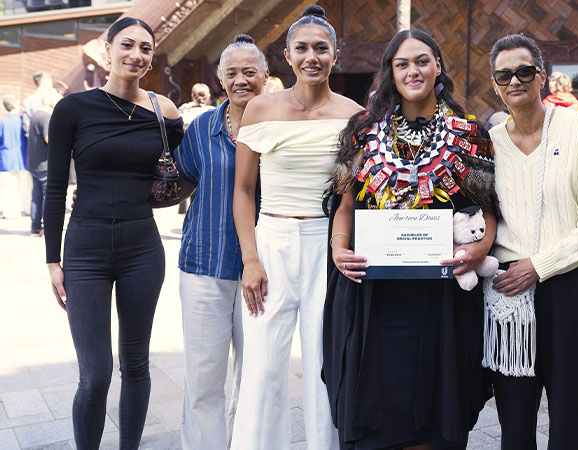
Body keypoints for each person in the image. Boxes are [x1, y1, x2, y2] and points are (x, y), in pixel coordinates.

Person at [325, 28, 496, 449]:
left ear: (438, 65)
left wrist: (479, 248)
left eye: (422, 60)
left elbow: (487, 207)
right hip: (375, 292)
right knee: (377, 396)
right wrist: (338, 248)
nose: (412, 70)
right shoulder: (363, 130)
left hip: (441, 294)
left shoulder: (468, 130)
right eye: (402, 64)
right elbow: (344, 204)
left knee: (438, 398)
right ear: (390, 72)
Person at [45, 17, 183, 449]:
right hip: (85, 247)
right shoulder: (73, 109)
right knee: (95, 374)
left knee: (137, 364)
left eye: (145, 48)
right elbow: (53, 189)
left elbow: (189, 169)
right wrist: (52, 260)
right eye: (127, 45)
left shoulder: (166, 112)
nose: (136, 55)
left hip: (142, 245)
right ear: (108, 50)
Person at [230, 6, 361, 449]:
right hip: (271, 244)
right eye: (302, 48)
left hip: (328, 245)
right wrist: (250, 258)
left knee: (326, 363)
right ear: (287, 55)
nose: (312, 56)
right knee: (263, 366)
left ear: (335, 55)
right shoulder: (261, 108)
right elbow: (244, 190)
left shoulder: (354, 116)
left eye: (321, 48)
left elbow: (352, 195)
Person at [487, 33, 578, 450]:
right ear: (494, 84)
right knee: (515, 425)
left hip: (573, 289)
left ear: (542, 76)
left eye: (525, 71)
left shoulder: (577, 128)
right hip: (510, 297)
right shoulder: (490, 143)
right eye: (504, 75)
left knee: (568, 420)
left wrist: (538, 265)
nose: (515, 81)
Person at [173, 34, 268, 450]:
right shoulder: (200, 128)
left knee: (256, 380)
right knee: (203, 380)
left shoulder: (279, 127)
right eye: (232, 73)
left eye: (250, 72)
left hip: (264, 272)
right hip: (204, 266)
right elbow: (176, 181)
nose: (241, 80)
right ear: (220, 78)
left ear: (267, 75)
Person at [26, 90, 61, 236]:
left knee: (37, 195)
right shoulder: (46, 117)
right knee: (48, 196)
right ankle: (48, 227)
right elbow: (49, 139)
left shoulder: (35, 115)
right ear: (52, 102)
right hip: (45, 163)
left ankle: (35, 226)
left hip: (34, 163)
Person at [0, 95, 26, 219]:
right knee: (24, 185)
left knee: (8, 187)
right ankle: (27, 209)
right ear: (15, 105)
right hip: (23, 157)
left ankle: (10, 212)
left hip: (6, 158)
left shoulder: (2, 122)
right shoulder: (22, 120)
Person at [22, 70, 54, 137]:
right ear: (45, 82)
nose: (52, 84)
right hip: (49, 140)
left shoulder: (27, 102)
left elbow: (26, 125)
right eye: (50, 81)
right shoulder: (51, 99)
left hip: (33, 141)